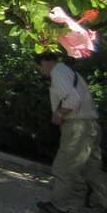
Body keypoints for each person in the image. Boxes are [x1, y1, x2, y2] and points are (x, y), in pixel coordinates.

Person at [35, 52, 107, 213]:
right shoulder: (69, 71)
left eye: (39, 67)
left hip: (77, 127)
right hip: (91, 125)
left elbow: (73, 99)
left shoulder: (58, 72)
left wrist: (59, 114)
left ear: (45, 62)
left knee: (65, 167)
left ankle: (60, 206)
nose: (40, 71)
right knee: (92, 170)